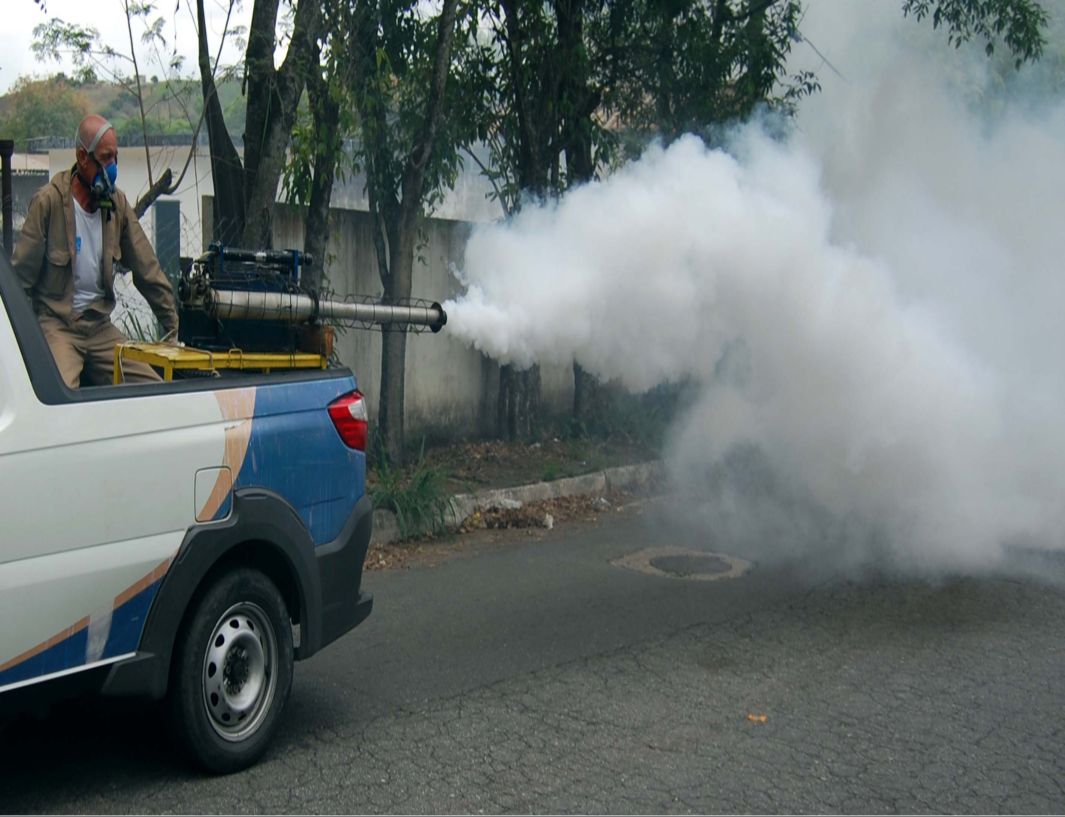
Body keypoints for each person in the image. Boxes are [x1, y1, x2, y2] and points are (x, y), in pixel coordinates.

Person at [11, 114, 179, 388]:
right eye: (105, 157)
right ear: (82, 157)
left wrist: (172, 328)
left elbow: (147, 268)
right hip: (58, 325)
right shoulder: (49, 203)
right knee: (59, 396)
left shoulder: (116, 205)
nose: (112, 167)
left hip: (100, 327)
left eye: (116, 157)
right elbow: (21, 280)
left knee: (153, 392)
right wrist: (25, 345)